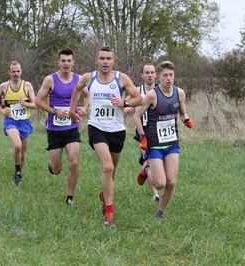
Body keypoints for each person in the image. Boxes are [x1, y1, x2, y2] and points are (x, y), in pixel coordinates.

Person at [69, 46, 143, 227]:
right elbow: (76, 89)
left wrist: (124, 102)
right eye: (102, 58)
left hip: (117, 129)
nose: (105, 62)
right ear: (96, 61)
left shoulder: (121, 78)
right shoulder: (89, 78)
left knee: (113, 171)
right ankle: (109, 213)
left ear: (113, 61)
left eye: (108, 58)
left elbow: (139, 99)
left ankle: (104, 195)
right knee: (108, 167)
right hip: (96, 127)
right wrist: (73, 110)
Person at [133, 61, 194, 219]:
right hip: (155, 144)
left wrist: (186, 119)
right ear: (158, 77)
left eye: (171, 75)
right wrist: (142, 137)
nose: (169, 79)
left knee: (171, 182)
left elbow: (183, 112)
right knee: (160, 183)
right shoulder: (152, 95)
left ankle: (160, 212)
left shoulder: (179, 93)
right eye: (165, 75)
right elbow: (137, 116)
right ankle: (147, 169)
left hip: (172, 143)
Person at [35, 48, 90, 207]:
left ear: (73, 63)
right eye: (63, 61)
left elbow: (87, 96)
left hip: (72, 128)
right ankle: (53, 166)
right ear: (59, 62)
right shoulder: (50, 80)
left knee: (74, 162)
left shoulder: (79, 79)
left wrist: (84, 108)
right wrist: (53, 111)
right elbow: (38, 101)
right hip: (54, 130)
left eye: (69, 61)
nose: (66, 64)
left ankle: (70, 198)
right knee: (57, 169)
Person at [0, 61, 36, 185]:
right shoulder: (4, 86)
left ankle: (18, 171)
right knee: (17, 146)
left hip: (25, 122)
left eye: (18, 71)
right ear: (9, 72)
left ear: (21, 71)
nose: (16, 74)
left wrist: (25, 104)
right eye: (13, 71)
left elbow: (35, 104)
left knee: (22, 153)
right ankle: (17, 171)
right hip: (11, 121)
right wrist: (1, 110)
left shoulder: (27, 85)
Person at [125, 63, 160, 202]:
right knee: (149, 161)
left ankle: (145, 169)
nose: (150, 75)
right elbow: (126, 103)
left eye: (152, 72)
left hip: (157, 130)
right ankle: (155, 194)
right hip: (142, 130)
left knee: (157, 161)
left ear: (156, 75)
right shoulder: (137, 91)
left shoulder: (159, 91)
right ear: (142, 75)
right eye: (147, 72)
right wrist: (126, 109)